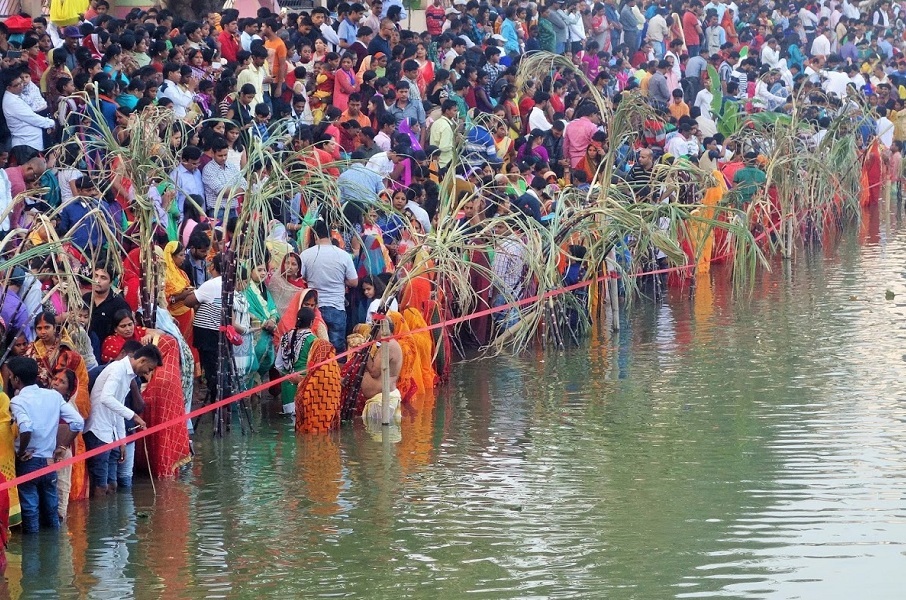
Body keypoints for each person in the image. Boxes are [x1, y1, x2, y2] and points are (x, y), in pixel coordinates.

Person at [4, 356, 84, 533]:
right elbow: (78, 422)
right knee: (51, 510)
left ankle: (32, 547)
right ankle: (54, 545)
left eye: (10, 376)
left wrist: (21, 452)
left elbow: (26, 428)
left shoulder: (17, 401)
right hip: (49, 462)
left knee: (30, 511)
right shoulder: (53, 396)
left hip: (29, 462)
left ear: (16, 379)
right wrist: (62, 447)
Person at [83, 344, 158, 497]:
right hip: (98, 431)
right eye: (149, 369)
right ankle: (100, 512)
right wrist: (134, 416)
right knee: (100, 486)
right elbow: (106, 398)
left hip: (110, 434)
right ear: (142, 360)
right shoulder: (117, 369)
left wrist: (122, 440)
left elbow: (118, 408)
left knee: (112, 485)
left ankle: (111, 513)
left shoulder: (128, 375)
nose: (147, 373)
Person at [299, 219, 359, 352]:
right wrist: (341, 280)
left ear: (315, 236)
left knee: (315, 348)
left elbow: (300, 278)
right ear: (330, 235)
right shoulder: (343, 255)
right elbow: (354, 282)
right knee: (336, 349)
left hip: (314, 308)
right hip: (337, 307)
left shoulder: (306, 255)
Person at [275, 306, 318, 416]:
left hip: (287, 387)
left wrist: (289, 376)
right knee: (303, 421)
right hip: (305, 386)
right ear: (311, 322)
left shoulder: (285, 337)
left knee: (289, 421)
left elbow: (278, 365)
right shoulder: (313, 340)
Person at [359, 318, 403, 423]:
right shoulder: (389, 344)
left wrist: (363, 350)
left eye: (374, 328)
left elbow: (374, 371)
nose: (371, 331)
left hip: (383, 399)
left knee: (378, 431)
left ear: (383, 329)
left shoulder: (388, 345)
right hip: (383, 396)